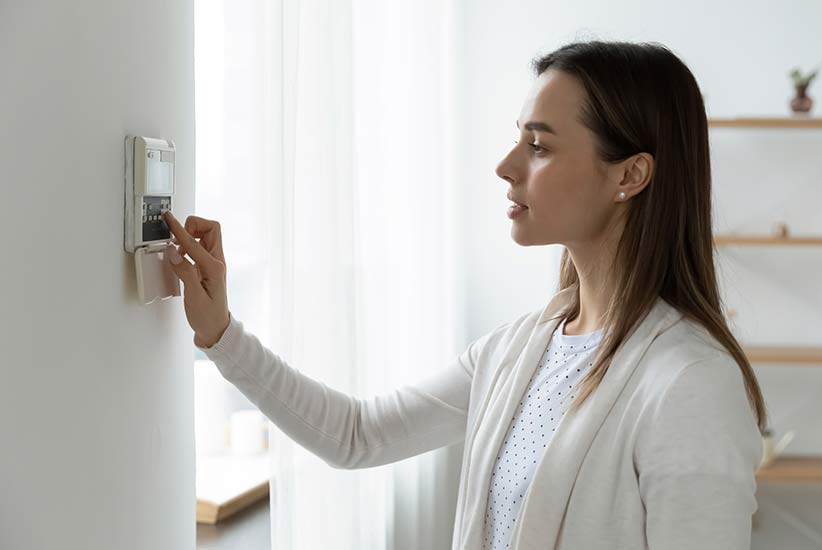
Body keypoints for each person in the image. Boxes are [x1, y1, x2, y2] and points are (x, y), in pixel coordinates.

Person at [163, 39, 767, 550]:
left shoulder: (690, 383)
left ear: (630, 175)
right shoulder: (517, 350)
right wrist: (221, 333)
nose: (506, 166)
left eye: (539, 145)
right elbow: (357, 435)